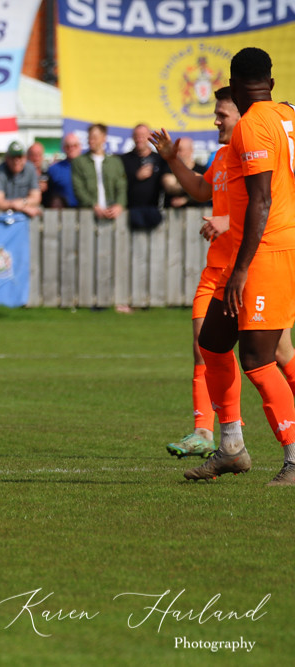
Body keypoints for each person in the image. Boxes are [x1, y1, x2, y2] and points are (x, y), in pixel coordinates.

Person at [185, 47, 295, 486]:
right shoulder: (288, 112)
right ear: (269, 78)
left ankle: (293, 459)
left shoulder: (252, 125)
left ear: (234, 80)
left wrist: (242, 270)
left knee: (257, 358)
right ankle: (230, 447)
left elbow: (262, 202)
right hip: (266, 248)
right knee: (213, 342)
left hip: (265, 253)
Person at [152, 88, 247, 458]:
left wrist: (224, 220)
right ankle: (205, 432)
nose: (216, 121)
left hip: (249, 267)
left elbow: (268, 206)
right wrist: (173, 160)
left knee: (274, 356)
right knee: (202, 347)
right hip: (216, 268)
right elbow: (200, 189)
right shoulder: (223, 156)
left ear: (243, 116)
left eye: (222, 114)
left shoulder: (254, 155)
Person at [72, 123, 127, 220]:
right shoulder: (79, 162)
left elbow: (121, 186)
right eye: (89, 137)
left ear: (104, 138)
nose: (91, 140)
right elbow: (79, 188)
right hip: (88, 215)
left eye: (95, 137)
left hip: (113, 214)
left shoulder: (115, 162)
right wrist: (93, 205)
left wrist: (119, 205)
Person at [121, 123, 167, 229]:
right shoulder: (124, 160)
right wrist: (136, 177)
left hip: (155, 211)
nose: (139, 139)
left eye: (142, 136)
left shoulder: (160, 159)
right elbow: (118, 185)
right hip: (130, 212)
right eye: (136, 136)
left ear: (149, 137)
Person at [0, 141, 41, 217]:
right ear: (7, 158)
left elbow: (36, 198)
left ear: (25, 158)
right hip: (3, 215)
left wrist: (21, 203)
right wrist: (20, 207)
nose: (16, 161)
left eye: (19, 157)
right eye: (13, 157)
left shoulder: (31, 169)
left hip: (27, 215)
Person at [161, 136, 205, 209]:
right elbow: (170, 187)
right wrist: (195, 185)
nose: (177, 153)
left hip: (197, 214)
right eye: (175, 150)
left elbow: (206, 192)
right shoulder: (169, 168)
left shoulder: (201, 169)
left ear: (190, 150)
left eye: (180, 150)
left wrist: (186, 200)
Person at [46, 133, 82, 208]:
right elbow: (48, 195)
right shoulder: (54, 169)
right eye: (68, 146)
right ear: (63, 148)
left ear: (80, 147)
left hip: (86, 212)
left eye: (75, 146)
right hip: (62, 213)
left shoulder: (89, 168)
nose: (71, 149)